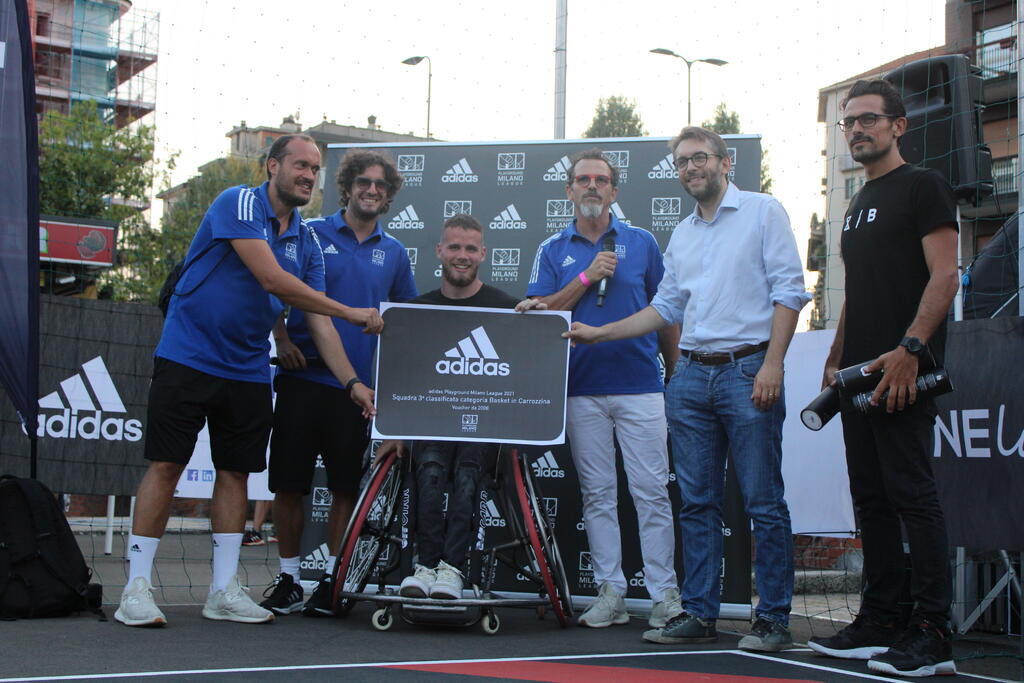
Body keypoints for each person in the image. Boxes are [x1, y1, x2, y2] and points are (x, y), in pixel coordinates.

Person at [115, 134, 382, 627]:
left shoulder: (308, 243)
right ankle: (135, 589)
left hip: (248, 369)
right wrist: (349, 310)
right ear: (272, 166)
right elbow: (272, 280)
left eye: (315, 169)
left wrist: (352, 384)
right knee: (167, 465)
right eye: (300, 165)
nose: (309, 175)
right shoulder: (237, 201)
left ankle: (222, 590)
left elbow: (319, 325)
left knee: (235, 473)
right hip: (188, 356)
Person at [565, 127, 809, 651]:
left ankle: (773, 618)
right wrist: (600, 333)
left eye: (700, 158)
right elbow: (665, 308)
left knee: (763, 503)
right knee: (697, 503)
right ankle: (699, 611)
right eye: (682, 161)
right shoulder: (682, 233)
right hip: (691, 376)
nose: (691, 168)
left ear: (725, 163)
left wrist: (773, 364)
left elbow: (791, 290)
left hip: (749, 371)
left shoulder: (763, 212)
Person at [809, 79, 959, 678]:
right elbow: (858, 292)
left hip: (903, 372)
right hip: (859, 377)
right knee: (870, 500)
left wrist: (911, 350)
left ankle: (933, 632)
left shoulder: (923, 186)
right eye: (849, 122)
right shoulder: (856, 202)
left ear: (898, 125)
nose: (856, 129)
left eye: (868, 119)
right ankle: (880, 619)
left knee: (912, 497)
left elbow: (945, 276)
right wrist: (836, 355)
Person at [525, 149, 682, 629]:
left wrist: (674, 373)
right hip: (580, 388)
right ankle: (610, 591)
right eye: (583, 179)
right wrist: (586, 276)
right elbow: (541, 313)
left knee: (651, 493)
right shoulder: (552, 249)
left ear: (614, 190)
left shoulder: (642, 242)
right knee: (597, 494)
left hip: (640, 386)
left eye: (600, 180)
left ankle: (664, 595)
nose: (591, 186)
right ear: (569, 190)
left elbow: (666, 311)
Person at [259, 150, 417, 617]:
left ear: (388, 196)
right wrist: (282, 335)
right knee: (289, 485)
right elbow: (275, 287)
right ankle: (289, 578)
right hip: (302, 379)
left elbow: (405, 325)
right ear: (347, 187)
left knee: (346, 487)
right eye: (364, 182)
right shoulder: (310, 233)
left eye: (381, 185)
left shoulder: (395, 253)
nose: (372, 190)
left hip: (358, 390)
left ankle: (334, 578)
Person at [377, 214, 542, 600]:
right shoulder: (416, 311)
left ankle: (452, 570)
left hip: (484, 428)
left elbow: (526, 373)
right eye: (454, 247)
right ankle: (425, 566)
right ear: (439, 251)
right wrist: (393, 429)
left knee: (468, 470)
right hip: (432, 425)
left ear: (483, 254)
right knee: (430, 468)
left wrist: (540, 321)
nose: (462, 255)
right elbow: (403, 377)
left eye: (470, 248)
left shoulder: (509, 309)